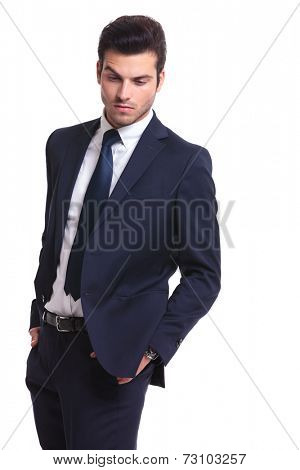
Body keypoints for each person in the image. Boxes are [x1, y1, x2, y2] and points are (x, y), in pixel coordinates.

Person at [25, 14, 221, 450]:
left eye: (139, 80)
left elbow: (204, 275)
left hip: (112, 362)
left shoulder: (185, 163)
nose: (124, 93)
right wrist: (36, 318)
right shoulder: (63, 144)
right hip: (48, 354)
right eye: (114, 77)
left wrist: (150, 350)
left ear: (160, 79)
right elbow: (53, 240)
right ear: (99, 71)